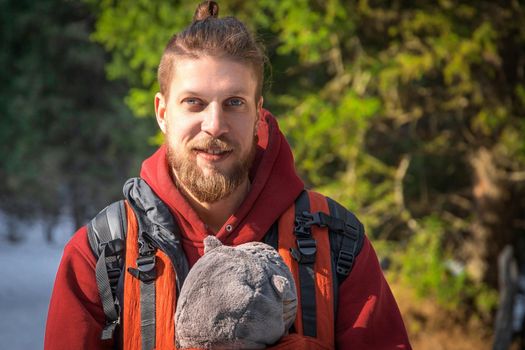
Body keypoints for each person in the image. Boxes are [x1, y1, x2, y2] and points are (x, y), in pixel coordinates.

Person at [44, 1, 411, 349]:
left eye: (234, 103)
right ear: (162, 112)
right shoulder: (102, 254)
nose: (215, 125)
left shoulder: (336, 243)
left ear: (257, 115)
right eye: (194, 103)